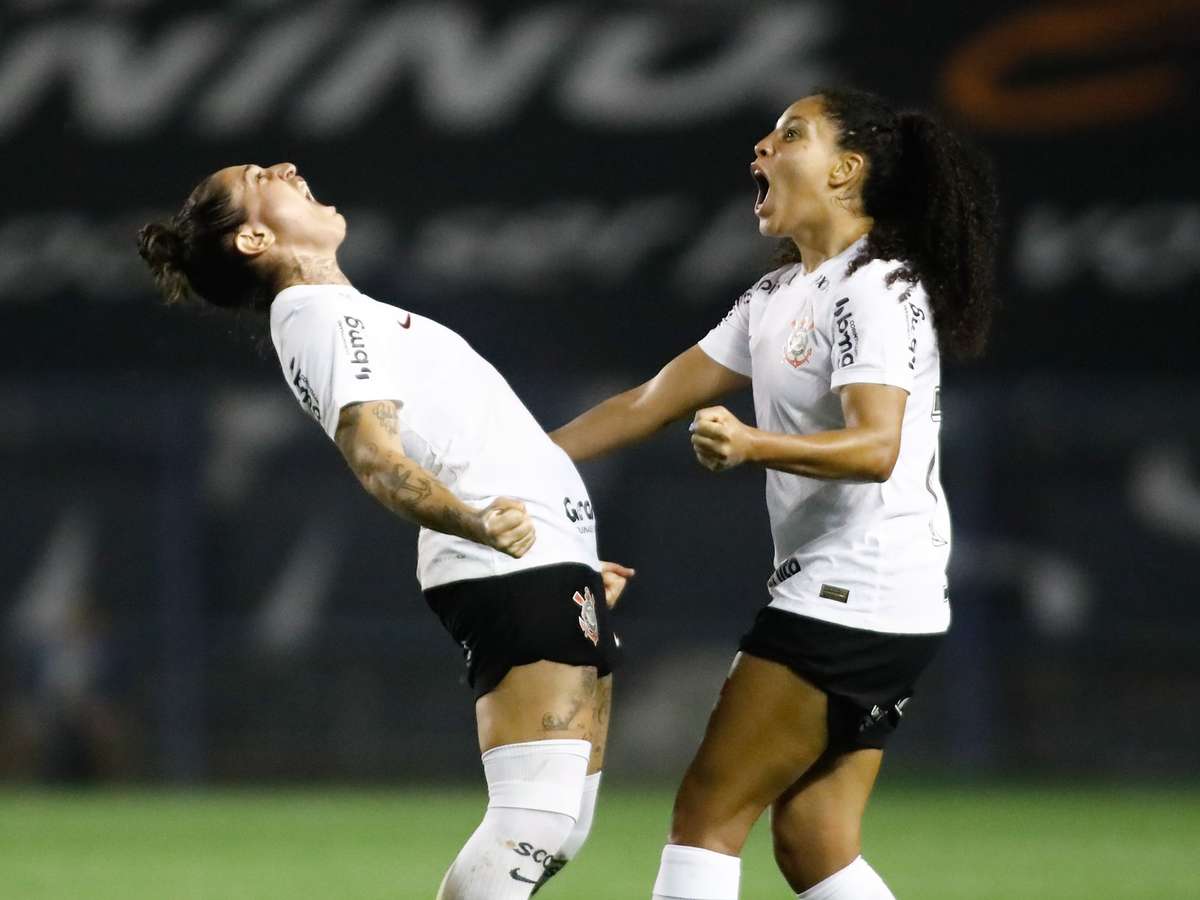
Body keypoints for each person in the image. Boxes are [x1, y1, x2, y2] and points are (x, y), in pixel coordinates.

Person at [136, 162, 634, 900]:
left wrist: (570, 552)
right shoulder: (318, 313)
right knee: (531, 823)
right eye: (257, 176)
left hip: (544, 560)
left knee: (561, 828)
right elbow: (374, 454)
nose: (286, 168)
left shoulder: (341, 312)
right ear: (254, 237)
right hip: (508, 565)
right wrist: (479, 525)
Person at [550, 87, 999, 900]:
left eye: (792, 134)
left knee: (706, 814)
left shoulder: (876, 287)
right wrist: (523, 465)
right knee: (814, 841)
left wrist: (754, 443)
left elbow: (876, 446)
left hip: (851, 592)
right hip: (875, 596)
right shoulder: (778, 295)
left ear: (846, 171)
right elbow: (648, 402)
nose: (761, 147)